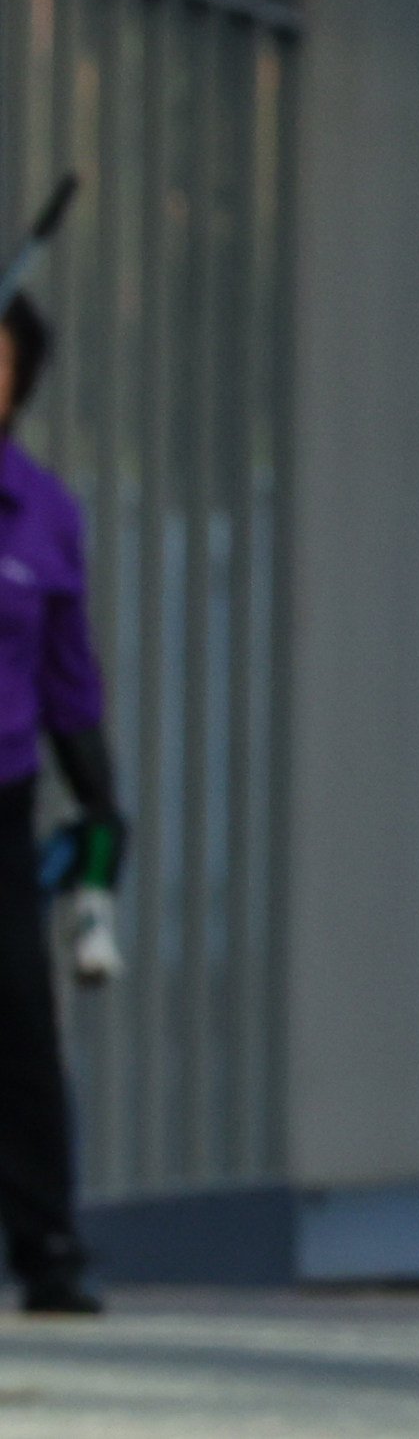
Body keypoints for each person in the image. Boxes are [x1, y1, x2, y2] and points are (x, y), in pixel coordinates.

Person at [0, 297, 114, 1318]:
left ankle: (49, 1247)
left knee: (23, 1025)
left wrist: (102, 801)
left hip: (5, 802)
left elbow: (69, 678)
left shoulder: (41, 511)